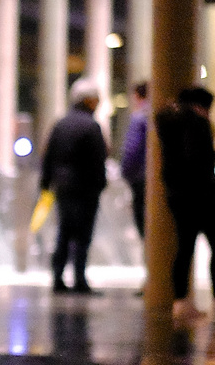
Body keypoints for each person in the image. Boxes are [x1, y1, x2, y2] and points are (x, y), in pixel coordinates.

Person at [157, 85, 215, 321]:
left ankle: (181, 301)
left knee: (185, 247)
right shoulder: (196, 123)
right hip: (200, 196)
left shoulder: (169, 123)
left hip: (177, 195)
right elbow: (199, 159)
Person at [40, 78, 108, 294]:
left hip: (63, 188)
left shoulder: (60, 124)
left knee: (64, 232)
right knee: (83, 236)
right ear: (89, 101)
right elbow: (98, 160)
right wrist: (100, 184)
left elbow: (48, 157)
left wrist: (46, 184)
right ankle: (79, 279)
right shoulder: (91, 126)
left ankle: (58, 278)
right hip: (86, 190)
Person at [121, 81, 150, 239]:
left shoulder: (139, 118)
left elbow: (132, 148)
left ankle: (151, 260)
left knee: (143, 224)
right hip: (157, 178)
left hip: (140, 178)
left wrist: (126, 173)